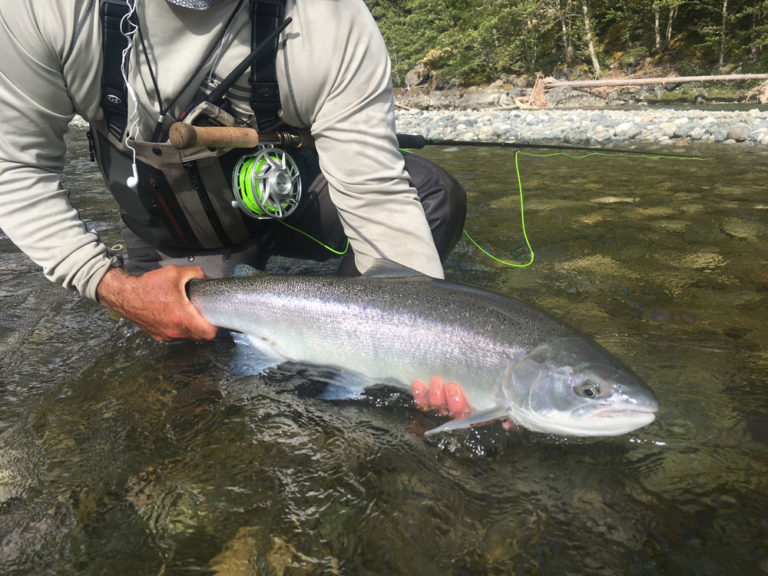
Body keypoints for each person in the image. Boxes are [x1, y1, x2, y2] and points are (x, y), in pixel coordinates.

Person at [0, 0, 472, 414]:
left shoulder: (332, 19)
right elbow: (14, 171)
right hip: (173, 232)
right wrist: (112, 286)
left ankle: (336, 359)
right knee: (187, 389)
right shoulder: (47, 12)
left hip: (282, 202)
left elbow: (379, 198)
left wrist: (433, 357)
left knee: (433, 194)